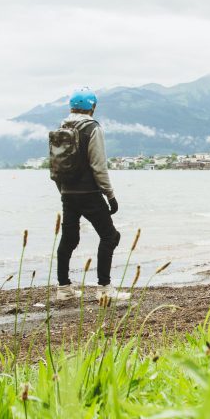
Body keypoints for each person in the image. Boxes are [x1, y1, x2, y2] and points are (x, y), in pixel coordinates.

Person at [54, 88, 130, 302]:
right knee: (110, 236)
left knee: (69, 238)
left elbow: (56, 166)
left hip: (67, 192)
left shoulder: (61, 127)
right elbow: (98, 166)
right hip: (89, 192)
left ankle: (64, 288)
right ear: (93, 107)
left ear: (71, 107)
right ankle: (104, 288)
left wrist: (63, 190)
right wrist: (110, 195)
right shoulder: (92, 128)